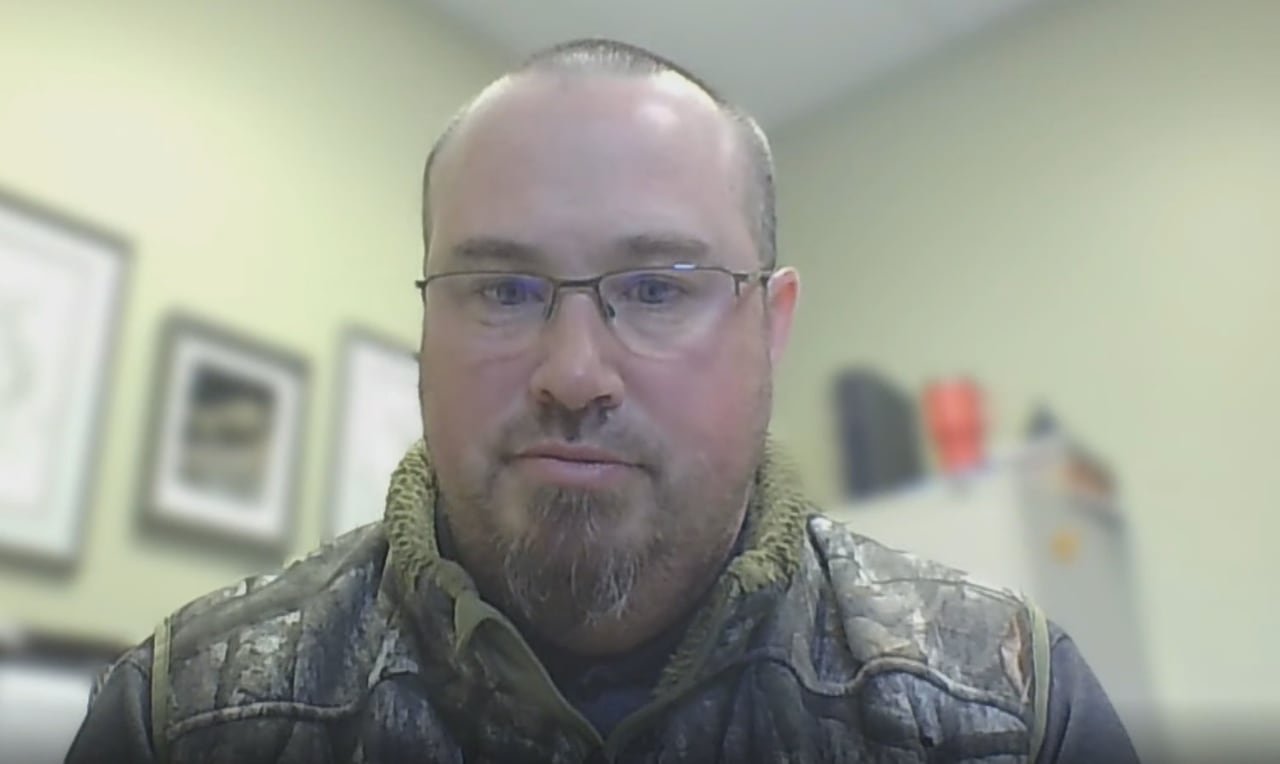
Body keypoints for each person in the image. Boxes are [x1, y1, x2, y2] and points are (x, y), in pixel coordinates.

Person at [67, 39, 1139, 763]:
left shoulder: (1012, 711)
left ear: (770, 327)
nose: (573, 370)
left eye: (656, 288)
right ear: (425, 326)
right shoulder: (183, 713)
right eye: (500, 289)